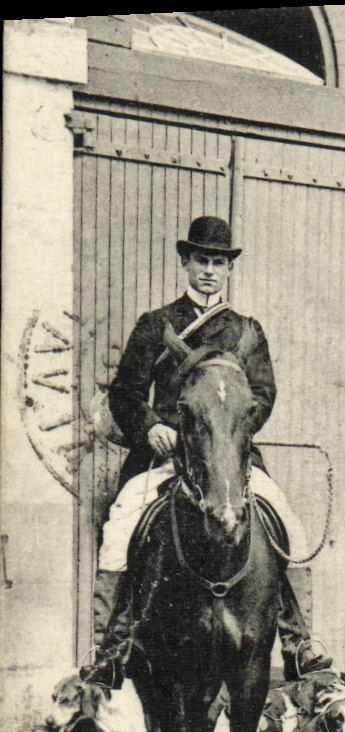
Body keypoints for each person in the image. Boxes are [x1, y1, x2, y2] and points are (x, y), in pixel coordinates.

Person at [80, 216, 328, 689]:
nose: (209, 270)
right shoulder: (156, 326)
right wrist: (150, 426)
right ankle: (109, 648)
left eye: (218, 262)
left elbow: (262, 395)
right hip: (166, 457)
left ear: (229, 268)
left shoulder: (247, 332)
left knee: (288, 525)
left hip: (230, 463)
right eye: (201, 260)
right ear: (185, 263)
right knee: (120, 528)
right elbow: (126, 393)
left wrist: (227, 439)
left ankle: (300, 643)